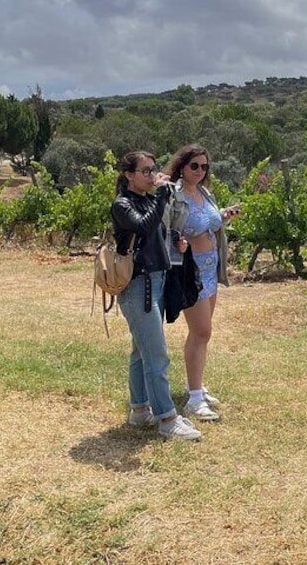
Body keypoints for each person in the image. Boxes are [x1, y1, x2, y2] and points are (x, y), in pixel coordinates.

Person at [112, 150, 201, 441]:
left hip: (156, 281)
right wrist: (162, 195)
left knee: (141, 350)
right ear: (129, 175)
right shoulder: (123, 205)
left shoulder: (148, 199)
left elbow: (158, 231)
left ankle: (139, 410)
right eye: (145, 171)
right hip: (139, 285)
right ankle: (166, 417)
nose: (152, 176)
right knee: (156, 354)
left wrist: (176, 240)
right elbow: (142, 225)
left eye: (153, 170)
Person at [164, 144, 240, 422]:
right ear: (182, 166)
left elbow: (209, 223)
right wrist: (177, 245)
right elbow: (166, 230)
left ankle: (195, 386)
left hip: (210, 268)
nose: (200, 171)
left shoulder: (204, 194)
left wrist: (223, 216)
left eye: (204, 166)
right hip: (190, 271)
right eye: (194, 165)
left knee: (202, 333)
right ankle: (194, 400)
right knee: (201, 332)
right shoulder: (174, 197)